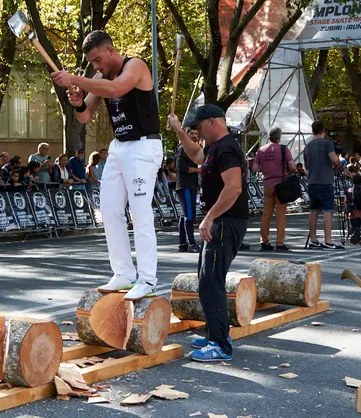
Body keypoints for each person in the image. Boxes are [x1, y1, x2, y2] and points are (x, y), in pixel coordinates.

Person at [51, 30, 163, 300]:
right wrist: (78, 103)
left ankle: (147, 278)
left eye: (98, 60)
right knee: (110, 210)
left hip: (143, 145)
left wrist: (76, 79)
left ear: (111, 50)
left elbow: (117, 89)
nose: (97, 67)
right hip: (119, 146)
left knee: (139, 211)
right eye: (92, 63)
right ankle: (124, 273)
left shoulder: (135, 66)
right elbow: (87, 115)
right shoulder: (100, 77)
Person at [168, 104, 249, 362]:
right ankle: (215, 333)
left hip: (225, 222)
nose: (198, 133)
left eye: (200, 127)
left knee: (211, 281)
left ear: (213, 122)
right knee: (207, 279)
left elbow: (234, 188)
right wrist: (179, 130)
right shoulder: (215, 147)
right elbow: (197, 155)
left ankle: (220, 344)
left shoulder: (226, 148)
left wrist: (210, 217)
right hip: (220, 222)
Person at [252, 127, 296, 253]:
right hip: (281, 184)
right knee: (280, 215)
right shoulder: (283, 149)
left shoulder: (261, 150)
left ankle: (264, 241)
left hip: (267, 184)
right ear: (279, 137)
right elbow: (292, 166)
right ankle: (280, 243)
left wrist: (265, 169)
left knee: (266, 214)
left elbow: (255, 168)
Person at [304, 120, 344, 250]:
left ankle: (314, 239)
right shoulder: (327, 143)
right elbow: (334, 159)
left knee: (314, 210)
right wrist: (338, 162)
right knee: (328, 210)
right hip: (325, 181)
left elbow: (306, 166)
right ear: (323, 131)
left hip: (312, 181)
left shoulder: (308, 146)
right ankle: (328, 240)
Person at [176, 128, 201, 253]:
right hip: (185, 185)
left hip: (191, 185)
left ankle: (182, 243)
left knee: (185, 215)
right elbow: (181, 167)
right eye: (192, 133)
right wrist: (198, 170)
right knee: (189, 215)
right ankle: (191, 243)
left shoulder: (193, 149)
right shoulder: (183, 148)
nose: (194, 136)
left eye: (196, 134)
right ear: (187, 134)